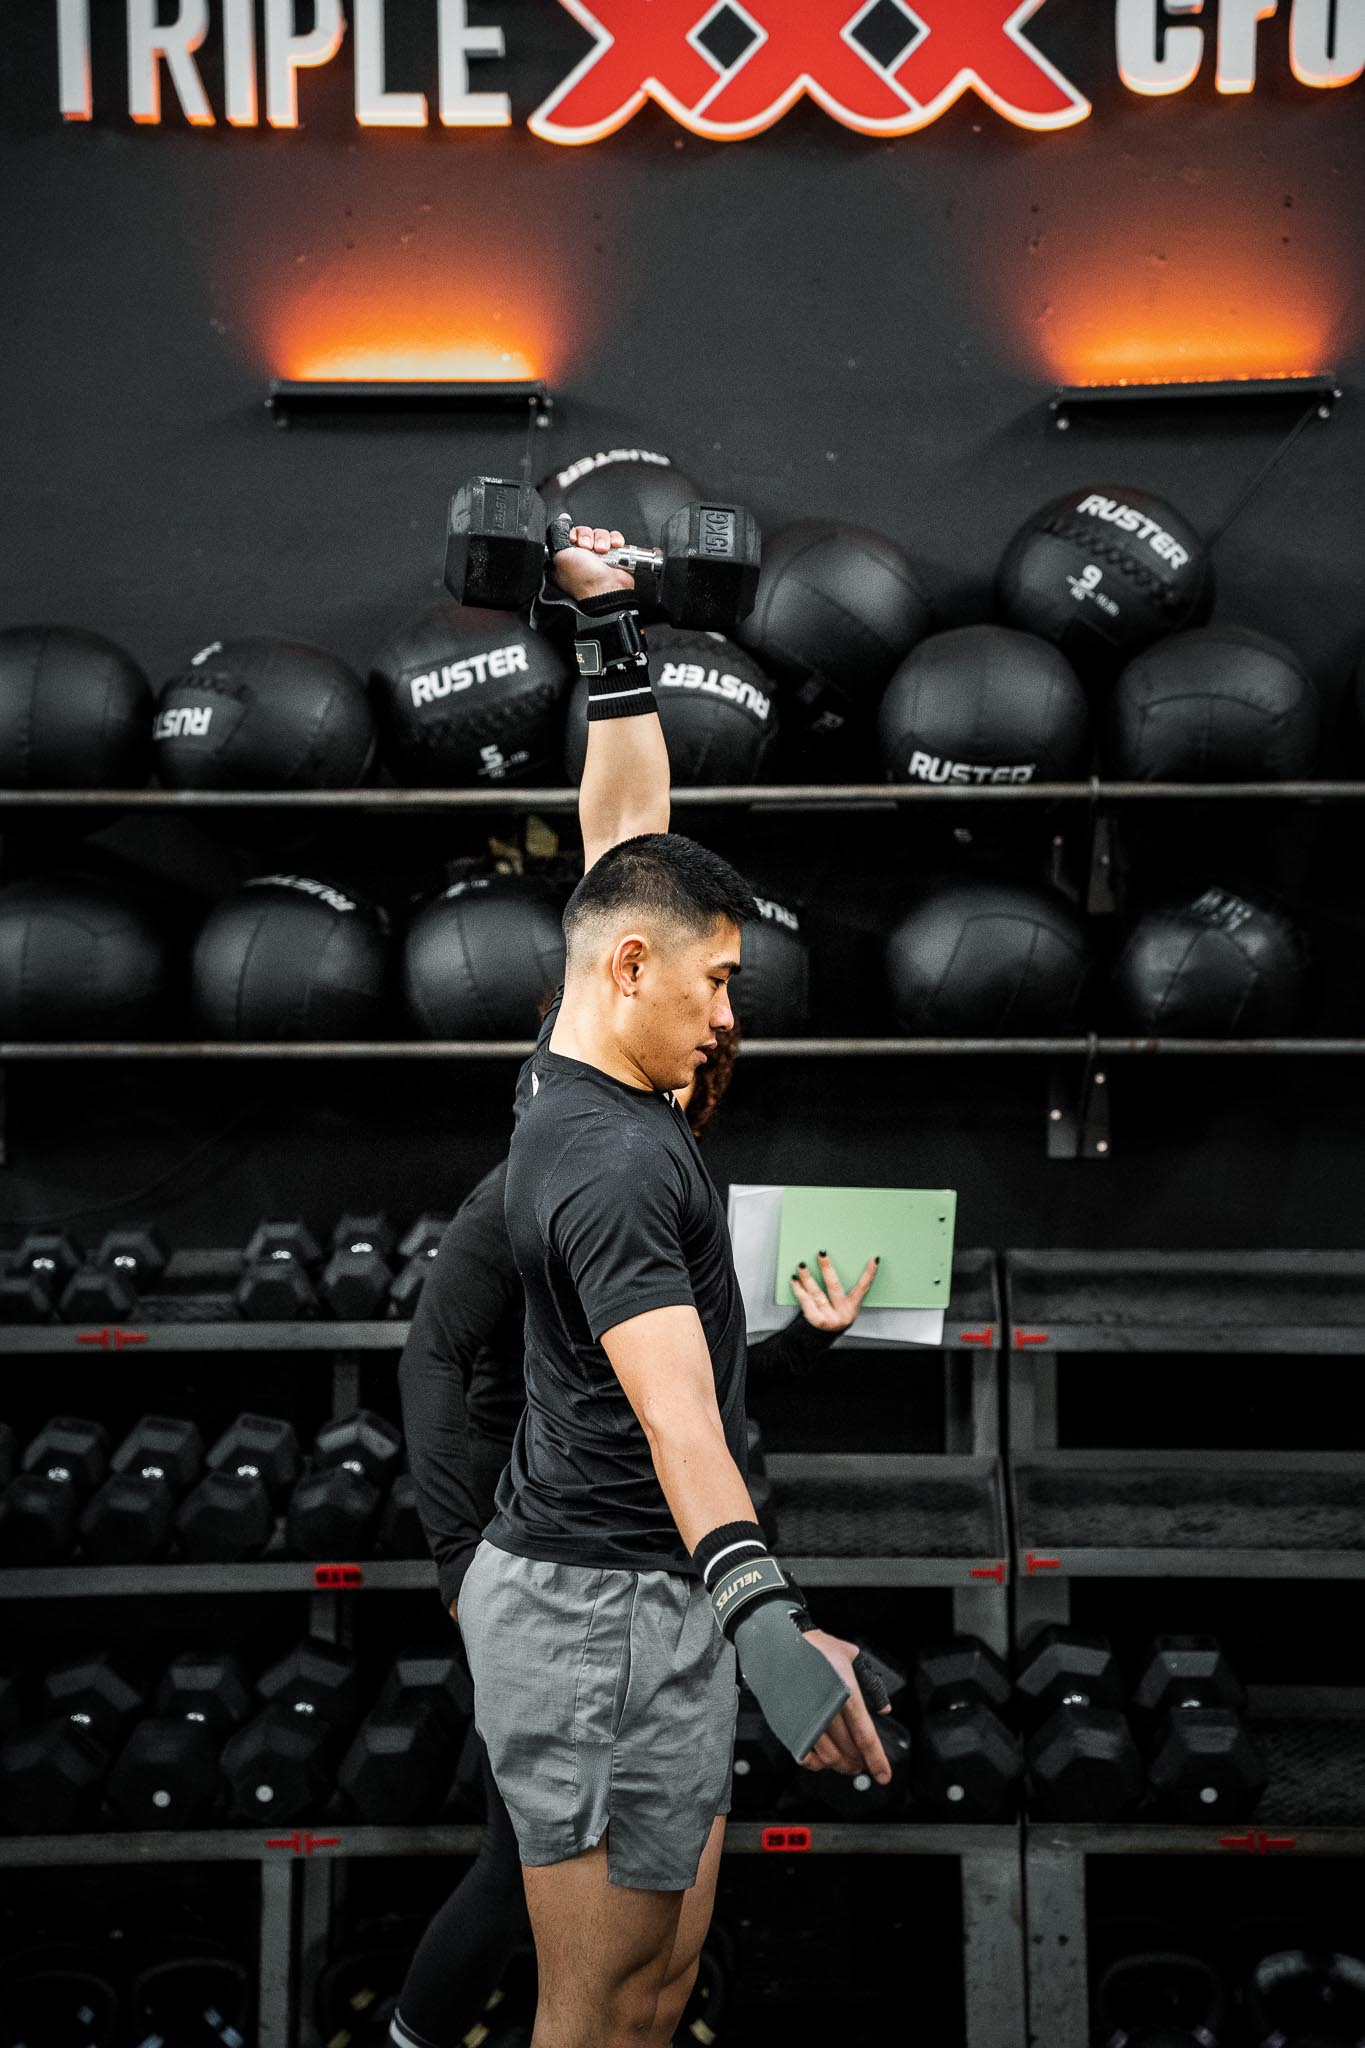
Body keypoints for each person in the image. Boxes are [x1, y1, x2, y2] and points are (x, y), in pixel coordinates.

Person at [426, 523, 892, 2048]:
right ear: (631, 971)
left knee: (657, 1992)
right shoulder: (617, 1161)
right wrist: (766, 1616)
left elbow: (625, 832)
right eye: (716, 983)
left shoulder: (581, 1058)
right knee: (600, 2009)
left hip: (646, 1591)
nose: (728, 1015)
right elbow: (679, 1417)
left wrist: (612, 629)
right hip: (600, 1610)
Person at [392, 1031, 877, 2048]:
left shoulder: (658, 1179)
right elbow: (431, 1356)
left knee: (633, 1956)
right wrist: (458, 1563)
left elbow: (691, 1389)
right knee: (511, 1868)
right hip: (556, 1565)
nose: (687, 1083)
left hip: (661, 1572)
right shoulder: (534, 1180)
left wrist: (808, 1340)